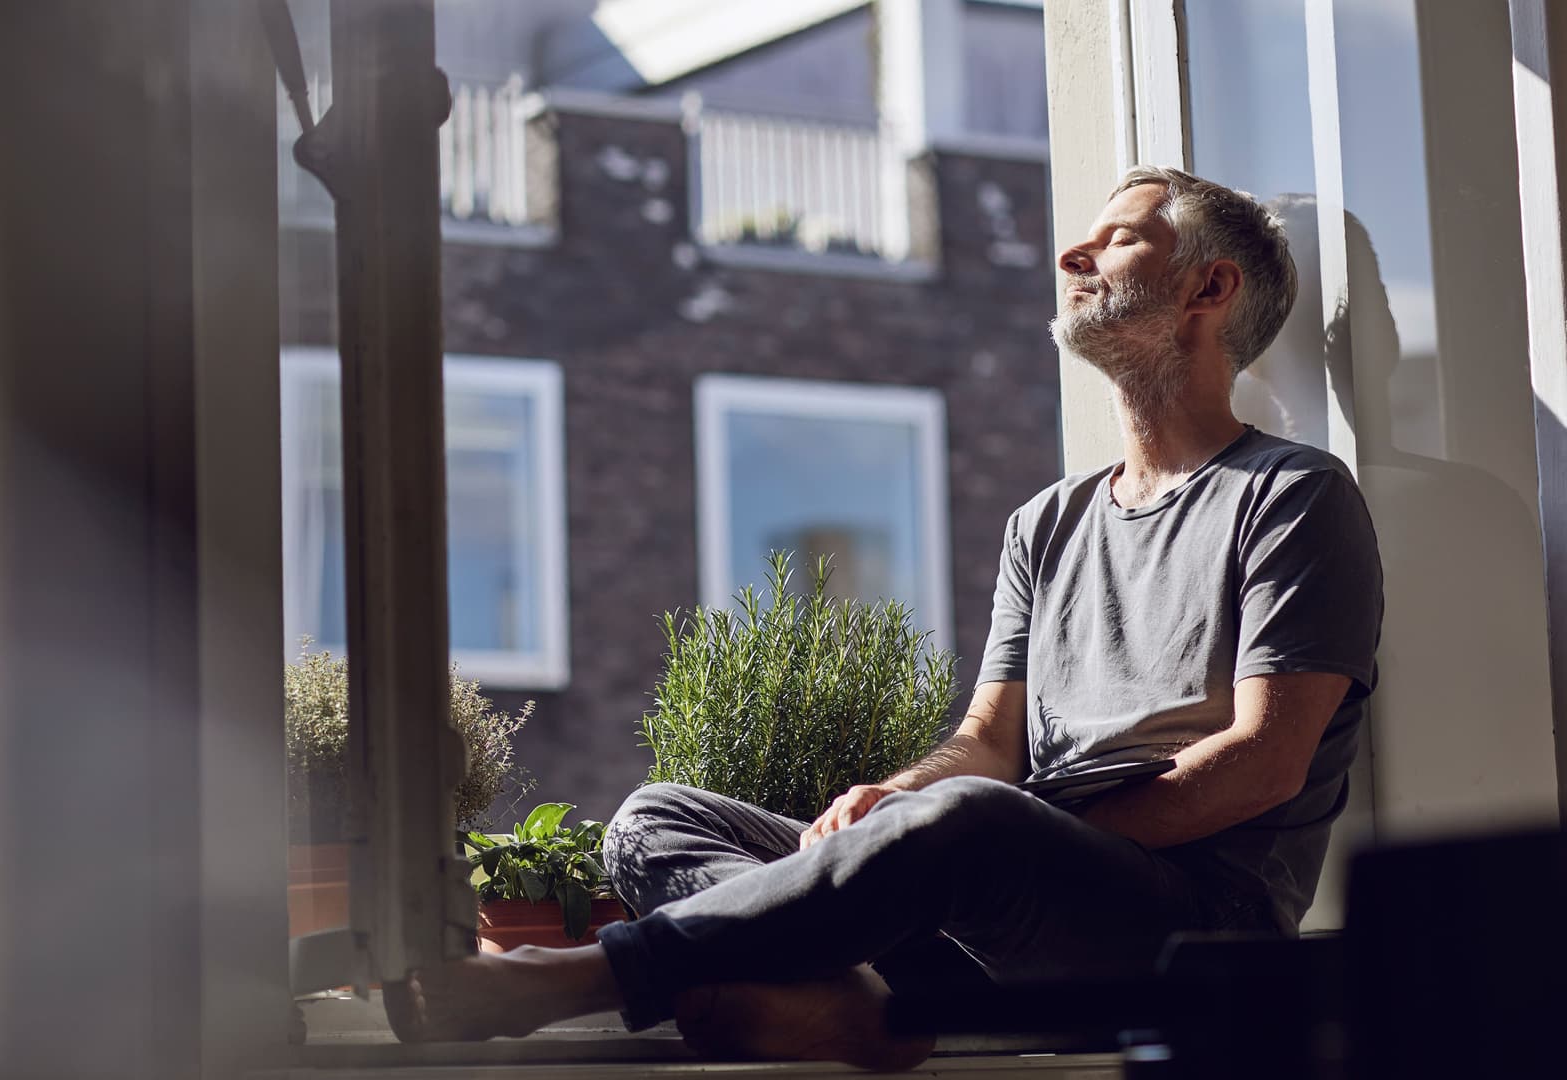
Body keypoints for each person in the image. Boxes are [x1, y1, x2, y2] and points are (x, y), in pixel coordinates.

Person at [385, 167, 1384, 1070]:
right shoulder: (1048, 522)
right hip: (995, 897)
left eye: (1121, 238)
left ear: (1210, 290)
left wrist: (987, 825)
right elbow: (989, 742)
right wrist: (892, 797)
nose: (1074, 255)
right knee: (660, 819)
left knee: (966, 822)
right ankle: (858, 1008)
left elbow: (1264, 762)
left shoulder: (1292, 494)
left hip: (1182, 922)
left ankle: (572, 981)